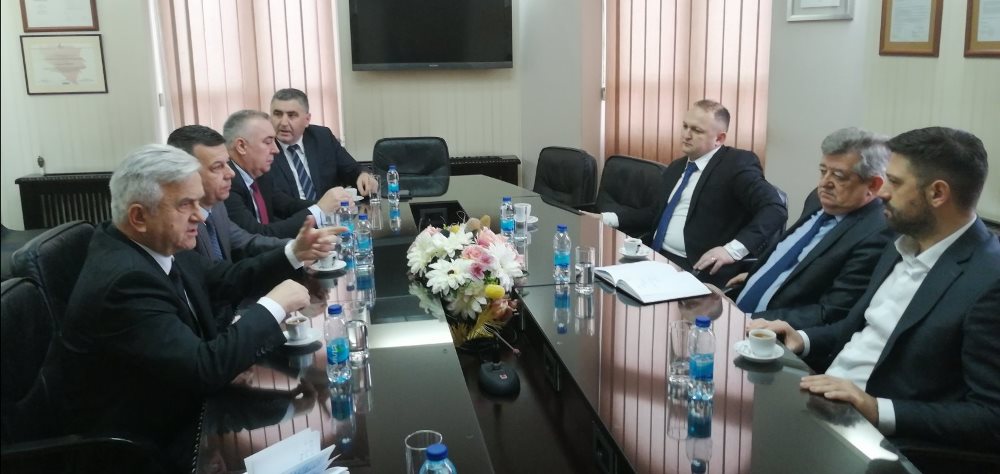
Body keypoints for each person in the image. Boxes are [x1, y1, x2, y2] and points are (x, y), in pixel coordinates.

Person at [18, 145, 341, 471]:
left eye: (198, 202)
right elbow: (203, 370)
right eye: (186, 205)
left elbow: (225, 279)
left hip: (185, 406)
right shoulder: (124, 281)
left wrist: (293, 253)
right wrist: (274, 306)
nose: (201, 216)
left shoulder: (153, 245)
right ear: (139, 217)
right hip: (140, 444)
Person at [749, 127, 1000, 451]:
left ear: (937, 193)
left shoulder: (988, 281)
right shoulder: (902, 244)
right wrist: (803, 338)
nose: (882, 192)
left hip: (879, 440)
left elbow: (990, 417)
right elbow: (860, 329)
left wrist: (875, 408)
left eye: (894, 182)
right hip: (824, 400)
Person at [602, 100, 786, 287]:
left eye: (697, 131)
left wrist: (731, 251)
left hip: (695, 268)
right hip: (653, 258)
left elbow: (774, 209)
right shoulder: (677, 167)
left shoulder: (736, 164)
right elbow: (655, 214)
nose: (686, 135)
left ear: (719, 138)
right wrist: (607, 218)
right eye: (685, 126)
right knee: (602, 279)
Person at [727, 127, 894, 329]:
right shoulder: (818, 199)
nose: (824, 183)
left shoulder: (876, 233)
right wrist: (755, 278)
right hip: (735, 309)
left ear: (873, 185)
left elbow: (831, 312)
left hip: (770, 334)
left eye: (839, 176)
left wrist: (742, 320)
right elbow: (795, 262)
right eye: (823, 171)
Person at [167, 124, 287, 262]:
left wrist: (294, 247)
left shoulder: (217, 206)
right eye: (218, 167)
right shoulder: (178, 226)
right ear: (187, 174)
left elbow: (247, 242)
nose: (231, 173)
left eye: (227, 163)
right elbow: (210, 274)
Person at [222, 109, 345, 238]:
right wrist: (319, 210)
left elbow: (288, 206)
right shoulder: (227, 184)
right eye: (268, 142)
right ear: (241, 146)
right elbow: (259, 235)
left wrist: (331, 205)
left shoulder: (260, 175)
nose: (276, 150)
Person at [269, 88, 378, 200]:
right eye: (278, 114)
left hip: (331, 210)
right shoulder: (264, 147)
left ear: (307, 120)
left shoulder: (322, 137)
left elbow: (352, 170)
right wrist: (318, 207)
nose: (283, 123)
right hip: (291, 211)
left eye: (291, 115)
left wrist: (363, 175)